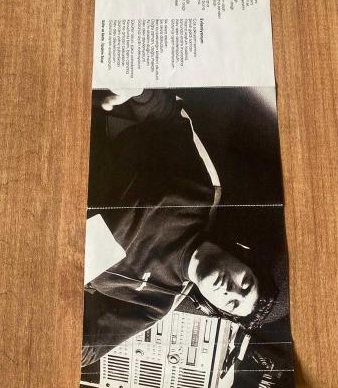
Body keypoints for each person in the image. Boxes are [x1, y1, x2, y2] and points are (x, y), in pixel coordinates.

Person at [81, 89, 276, 367]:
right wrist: (137, 90)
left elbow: (87, 349)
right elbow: (166, 117)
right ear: (242, 256)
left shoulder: (156, 304)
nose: (231, 291)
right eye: (245, 283)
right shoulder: (203, 191)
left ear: (213, 308)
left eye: (232, 303)